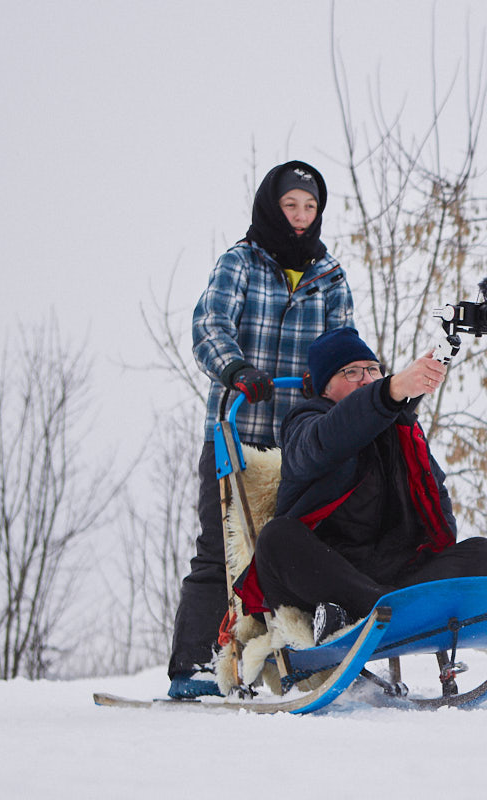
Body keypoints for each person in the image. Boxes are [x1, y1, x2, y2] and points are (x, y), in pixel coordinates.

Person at [168, 161, 354, 698]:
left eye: (310, 207)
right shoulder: (241, 262)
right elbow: (210, 324)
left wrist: (356, 386)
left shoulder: (330, 276)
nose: (299, 218)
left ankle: (303, 657)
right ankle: (194, 667)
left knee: (303, 543)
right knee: (222, 549)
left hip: (299, 438)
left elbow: (342, 344)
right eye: (291, 206)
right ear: (273, 207)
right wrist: (237, 369)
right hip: (236, 432)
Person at [239, 327, 487, 643]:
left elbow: (435, 497)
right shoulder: (304, 422)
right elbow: (328, 438)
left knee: (483, 553)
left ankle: (388, 608)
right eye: (351, 372)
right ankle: (387, 609)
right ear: (325, 387)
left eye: (373, 369)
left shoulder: (401, 429)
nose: (366, 378)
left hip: (396, 575)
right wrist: (389, 391)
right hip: (329, 573)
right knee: (275, 539)